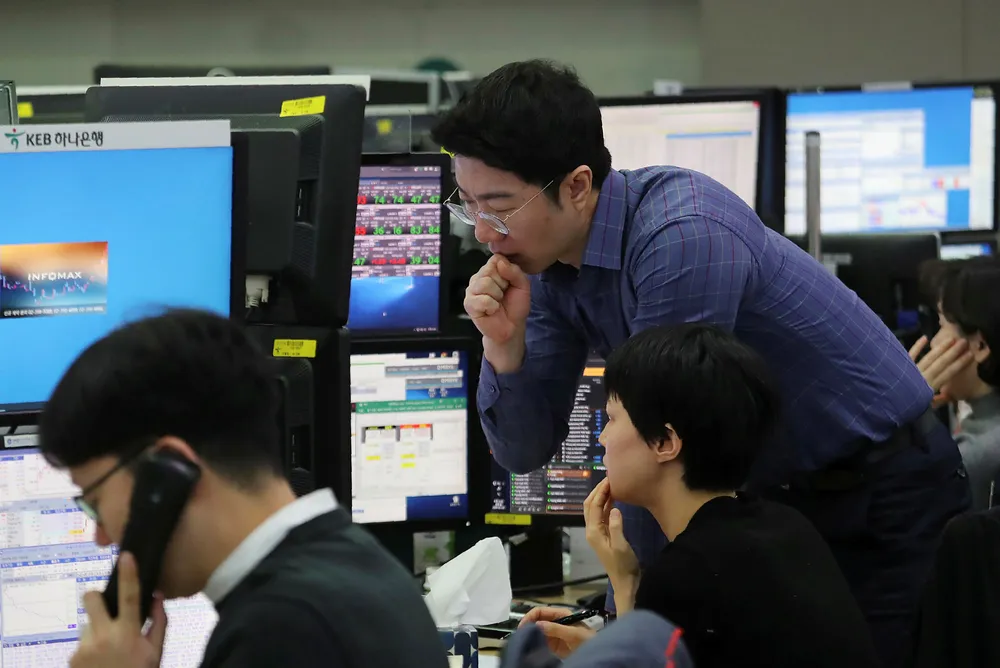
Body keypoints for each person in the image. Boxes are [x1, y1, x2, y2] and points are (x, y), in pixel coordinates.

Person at [432, 58, 970, 668]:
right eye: (468, 205)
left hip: (881, 491)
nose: (483, 233)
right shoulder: (548, 263)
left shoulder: (682, 236)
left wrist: (626, 624)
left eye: (499, 206)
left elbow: (666, 454)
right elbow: (525, 450)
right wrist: (502, 349)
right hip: (781, 502)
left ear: (577, 186)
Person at [38, 309, 447, 668]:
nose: (100, 536)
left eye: (95, 503)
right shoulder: (357, 566)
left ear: (170, 470)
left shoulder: (280, 629)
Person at [521, 324, 880, 668]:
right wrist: (604, 645)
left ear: (665, 442)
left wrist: (625, 583)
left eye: (612, 418)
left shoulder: (685, 575)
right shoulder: (785, 526)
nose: (602, 438)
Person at [909, 258, 1000, 510]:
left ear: (980, 345)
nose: (934, 342)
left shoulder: (976, 454)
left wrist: (906, 412)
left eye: (942, 325)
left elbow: (899, 505)